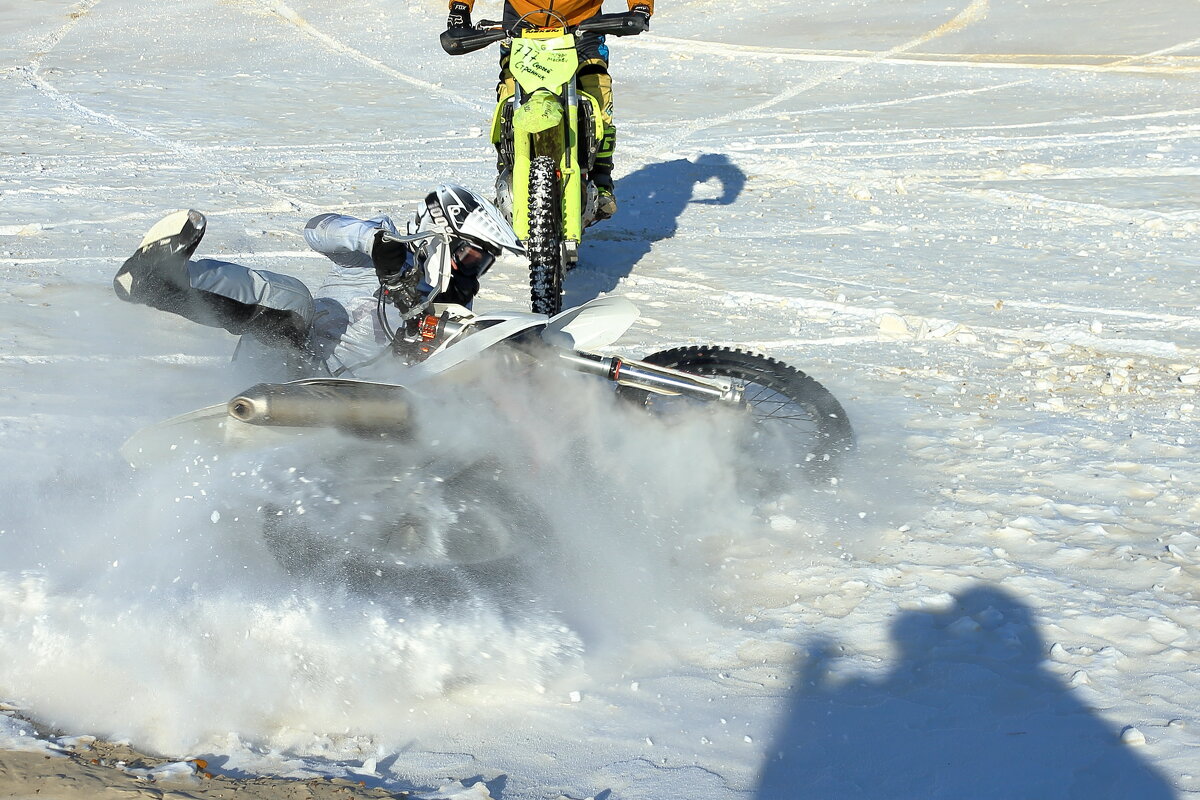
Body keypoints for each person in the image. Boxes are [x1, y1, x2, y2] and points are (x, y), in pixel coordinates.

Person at [112, 184, 522, 379]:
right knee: (297, 302)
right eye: (471, 255)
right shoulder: (386, 245)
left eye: (481, 263)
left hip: (345, 399)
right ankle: (161, 280)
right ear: (443, 234)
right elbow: (316, 229)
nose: (471, 271)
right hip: (283, 356)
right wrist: (375, 242)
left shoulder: (444, 314)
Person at [445, 0, 653, 220]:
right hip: (522, 23)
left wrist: (640, 6)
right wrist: (460, 7)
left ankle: (601, 178)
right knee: (510, 94)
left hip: (582, 24)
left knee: (597, 90)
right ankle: (506, 174)